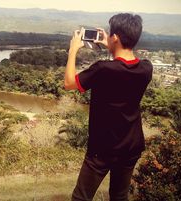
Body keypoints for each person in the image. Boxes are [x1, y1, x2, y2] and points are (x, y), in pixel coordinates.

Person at [64, 13, 153, 201]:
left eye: (111, 35)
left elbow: (69, 83)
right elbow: (126, 63)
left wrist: (73, 50)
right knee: (119, 197)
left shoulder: (103, 69)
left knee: (81, 197)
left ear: (115, 37)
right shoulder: (146, 68)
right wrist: (112, 45)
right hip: (131, 146)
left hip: (103, 148)